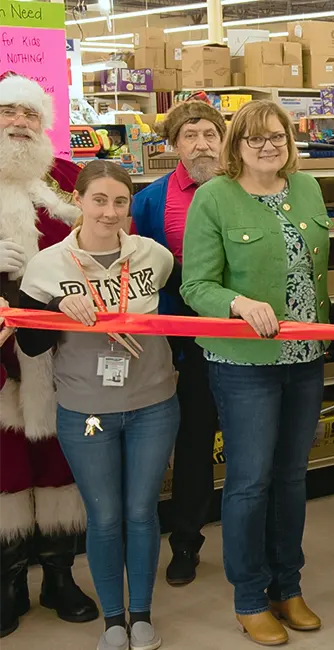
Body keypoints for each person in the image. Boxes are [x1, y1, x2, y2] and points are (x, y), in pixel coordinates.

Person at [181, 100, 330, 646]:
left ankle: (287, 587)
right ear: (235, 145)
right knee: (249, 482)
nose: (268, 146)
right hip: (243, 363)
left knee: (292, 478)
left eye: (278, 137)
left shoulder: (308, 188)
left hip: (305, 357)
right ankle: (249, 597)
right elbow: (197, 286)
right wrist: (240, 303)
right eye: (256, 139)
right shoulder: (214, 198)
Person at [18, 160, 177, 650]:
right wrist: (54, 309)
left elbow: (175, 309)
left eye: (120, 202)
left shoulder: (154, 256)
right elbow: (28, 344)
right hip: (87, 412)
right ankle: (113, 619)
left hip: (154, 404)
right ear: (80, 202)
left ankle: (143, 613)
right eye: (99, 200)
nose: (110, 212)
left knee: (141, 511)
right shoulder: (48, 264)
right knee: (104, 516)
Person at [0, 72, 99, 639]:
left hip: (65, 354)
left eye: (29, 114)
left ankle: (60, 575)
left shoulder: (65, 179)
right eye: (8, 111)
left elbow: (104, 236)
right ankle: (9, 578)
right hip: (1, 361)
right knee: (7, 471)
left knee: (62, 468)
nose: (18, 122)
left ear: (44, 125)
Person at [130, 100, 226, 587]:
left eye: (210, 133)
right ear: (173, 145)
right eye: (190, 135)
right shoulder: (150, 201)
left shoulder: (243, 190)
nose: (202, 143)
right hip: (180, 335)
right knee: (192, 441)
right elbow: (142, 272)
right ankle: (186, 542)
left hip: (239, 328)